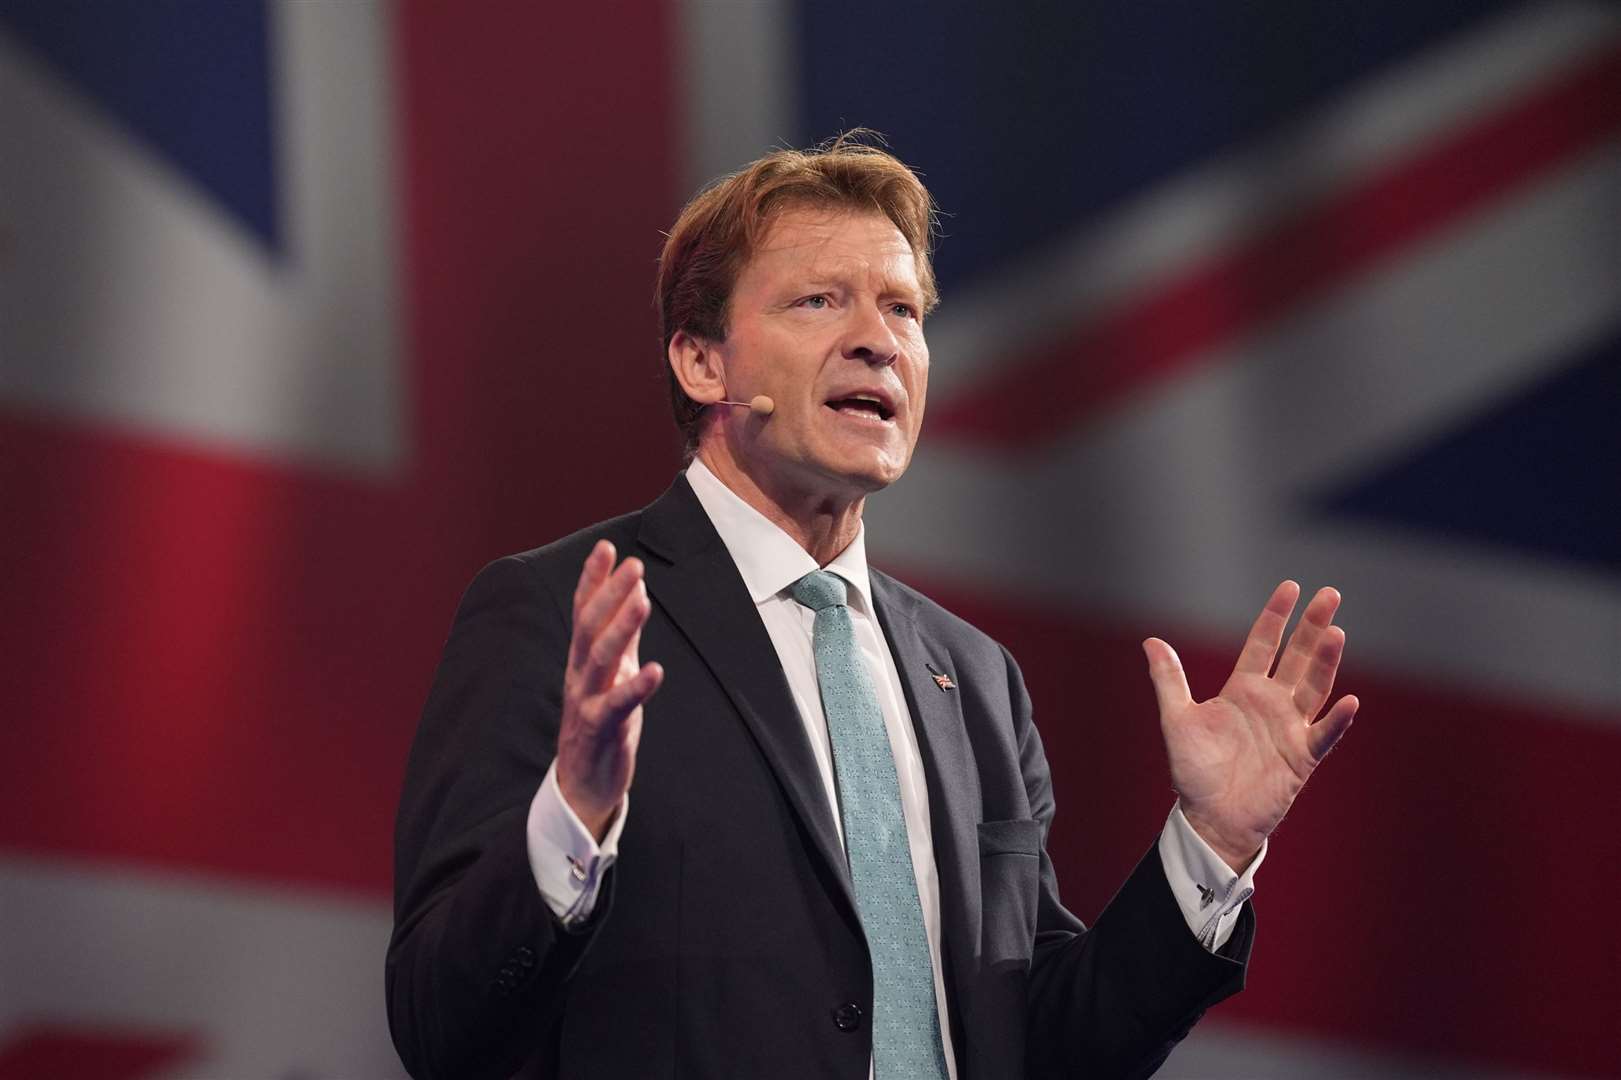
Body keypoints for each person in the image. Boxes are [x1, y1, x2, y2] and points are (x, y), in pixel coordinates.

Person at [386, 133, 1358, 1080]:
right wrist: (572, 822)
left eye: (903, 309)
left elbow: (1044, 1049)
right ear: (701, 363)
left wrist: (1212, 845)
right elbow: (438, 1025)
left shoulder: (973, 678)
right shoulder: (560, 617)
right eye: (819, 301)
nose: (876, 340)